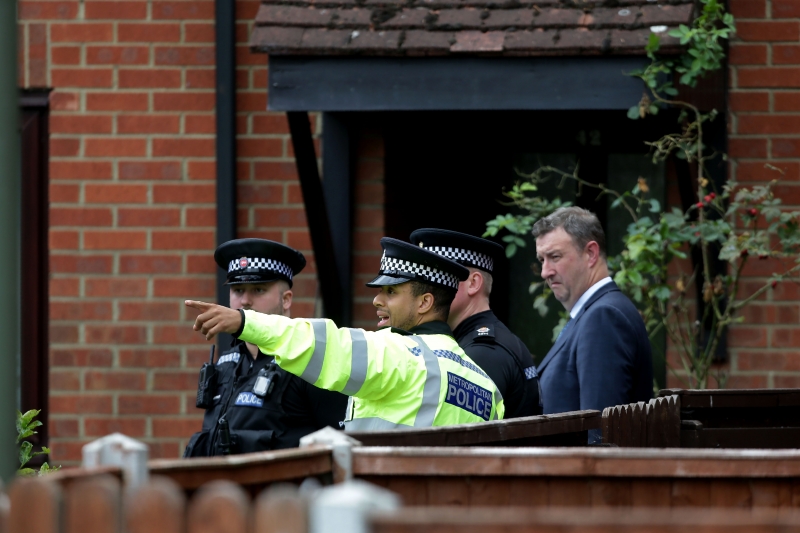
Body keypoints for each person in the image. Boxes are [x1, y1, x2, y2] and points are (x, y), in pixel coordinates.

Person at [186, 237, 504, 431]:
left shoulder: (400, 355)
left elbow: (325, 345)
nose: (377, 300)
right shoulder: (486, 387)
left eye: (391, 292)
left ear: (424, 303)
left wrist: (245, 322)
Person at [184, 238, 348, 457]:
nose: (245, 301)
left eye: (258, 290)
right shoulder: (227, 361)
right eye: (238, 290)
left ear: (286, 299)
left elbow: (342, 446)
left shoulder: (309, 359)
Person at [533, 207, 652, 443]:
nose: (545, 271)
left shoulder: (604, 317)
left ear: (591, 254)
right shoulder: (593, 313)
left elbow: (600, 434)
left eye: (555, 257)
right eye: (541, 260)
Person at [410, 228, 541, 418]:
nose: (425, 289)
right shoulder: (476, 343)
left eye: (438, 277)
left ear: (473, 283)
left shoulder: (483, 353)